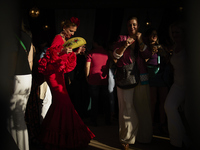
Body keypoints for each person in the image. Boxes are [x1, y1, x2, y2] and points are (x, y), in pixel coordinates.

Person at [38, 17, 95, 149]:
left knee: (60, 104)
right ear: (64, 27)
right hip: (53, 75)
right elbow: (51, 55)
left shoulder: (65, 40)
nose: (72, 34)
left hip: (59, 75)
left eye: (74, 32)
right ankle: (56, 136)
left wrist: (76, 52)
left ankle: (53, 135)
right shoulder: (58, 38)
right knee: (63, 103)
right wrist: (63, 51)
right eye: (70, 30)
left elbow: (65, 60)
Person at [113, 16, 152, 150]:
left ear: (138, 26)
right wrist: (125, 45)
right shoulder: (122, 38)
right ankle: (126, 138)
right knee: (127, 108)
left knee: (143, 108)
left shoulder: (144, 39)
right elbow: (116, 56)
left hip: (142, 77)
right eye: (130, 25)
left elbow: (147, 55)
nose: (132, 27)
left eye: (134, 25)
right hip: (128, 77)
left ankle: (144, 136)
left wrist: (140, 41)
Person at [164, 20, 190, 149]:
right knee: (169, 106)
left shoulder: (190, 46)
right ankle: (177, 141)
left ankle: (185, 140)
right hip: (177, 84)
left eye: (177, 32)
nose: (174, 34)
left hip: (190, 86)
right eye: (172, 32)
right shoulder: (174, 47)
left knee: (189, 115)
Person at [144, 27, 170, 135]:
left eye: (155, 34)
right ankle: (150, 124)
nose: (154, 36)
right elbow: (143, 61)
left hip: (162, 75)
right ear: (148, 36)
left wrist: (164, 53)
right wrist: (150, 53)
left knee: (163, 101)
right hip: (152, 75)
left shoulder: (162, 47)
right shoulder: (146, 48)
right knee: (153, 101)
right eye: (152, 34)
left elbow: (168, 60)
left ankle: (162, 124)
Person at [85, 37, 111, 126]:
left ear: (95, 43)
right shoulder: (107, 53)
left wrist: (87, 77)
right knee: (105, 101)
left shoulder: (91, 52)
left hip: (93, 79)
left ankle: (93, 121)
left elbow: (87, 66)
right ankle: (108, 120)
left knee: (94, 101)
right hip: (104, 79)